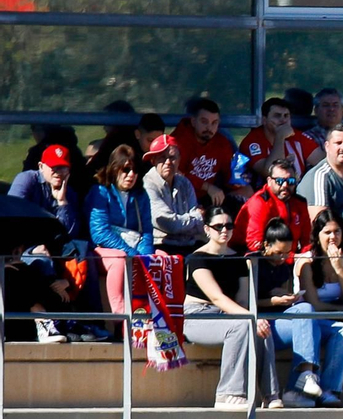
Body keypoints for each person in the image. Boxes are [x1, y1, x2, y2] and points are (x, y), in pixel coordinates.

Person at [182, 206, 277, 409]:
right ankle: (228, 393)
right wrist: (251, 318)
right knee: (246, 324)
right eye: (218, 226)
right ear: (207, 229)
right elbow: (216, 297)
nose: (224, 230)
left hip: (226, 315)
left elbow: (242, 301)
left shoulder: (238, 259)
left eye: (228, 226)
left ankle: (270, 394)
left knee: (262, 328)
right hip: (198, 316)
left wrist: (253, 319)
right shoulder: (197, 259)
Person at [288, 210, 343, 407]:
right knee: (328, 326)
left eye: (337, 232)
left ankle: (329, 390)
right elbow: (314, 305)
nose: (333, 237)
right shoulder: (307, 262)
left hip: (332, 320)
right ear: (317, 235)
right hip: (308, 319)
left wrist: (339, 269)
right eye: (327, 232)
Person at [85, 144, 155, 322]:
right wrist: (132, 254)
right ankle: (120, 313)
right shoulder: (100, 192)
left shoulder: (141, 195)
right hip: (101, 251)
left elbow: (146, 230)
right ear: (114, 169)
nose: (131, 175)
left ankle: (160, 310)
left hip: (135, 247)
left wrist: (144, 256)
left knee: (161, 257)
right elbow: (99, 233)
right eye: (126, 169)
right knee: (119, 259)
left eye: (135, 170)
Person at [172, 99, 245, 209]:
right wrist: (207, 187)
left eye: (214, 123)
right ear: (193, 121)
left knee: (247, 191)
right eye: (204, 122)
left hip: (210, 197)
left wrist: (238, 180)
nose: (209, 128)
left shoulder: (222, 143)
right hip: (182, 197)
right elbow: (177, 175)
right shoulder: (180, 141)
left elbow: (228, 174)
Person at [141, 134, 205, 253]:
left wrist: (186, 223)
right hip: (160, 245)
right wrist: (197, 217)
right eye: (162, 157)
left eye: (172, 157)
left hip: (189, 244)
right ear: (153, 160)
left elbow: (199, 227)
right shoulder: (147, 184)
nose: (168, 162)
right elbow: (168, 223)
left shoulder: (185, 183)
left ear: (179, 159)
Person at [9, 143, 84, 242]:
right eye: (54, 167)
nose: (58, 172)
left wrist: (62, 202)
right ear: (41, 166)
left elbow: (71, 233)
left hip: (55, 247)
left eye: (63, 167)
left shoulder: (69, 193)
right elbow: (12, 218)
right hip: (25, 244)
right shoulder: (27, 180)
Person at [240, 97, 322, 188]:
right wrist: (280, 138)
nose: (283, 120)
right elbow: (269, 172)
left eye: (286, 116)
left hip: (297, 193)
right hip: (266, 195)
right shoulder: (253, 141)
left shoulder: (297, 136)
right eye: (277, 116)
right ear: (264, 120)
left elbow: (322, 162)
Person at [236, 158, 313, 254]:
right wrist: (292, 258)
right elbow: (255, 245)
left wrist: (305, 255)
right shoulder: (259, 202)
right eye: (279, 181)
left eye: (291, 181)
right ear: (269, 181)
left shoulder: (300, 203)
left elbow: (307, 240)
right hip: (257, 259)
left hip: (290, 258)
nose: (285, 185)